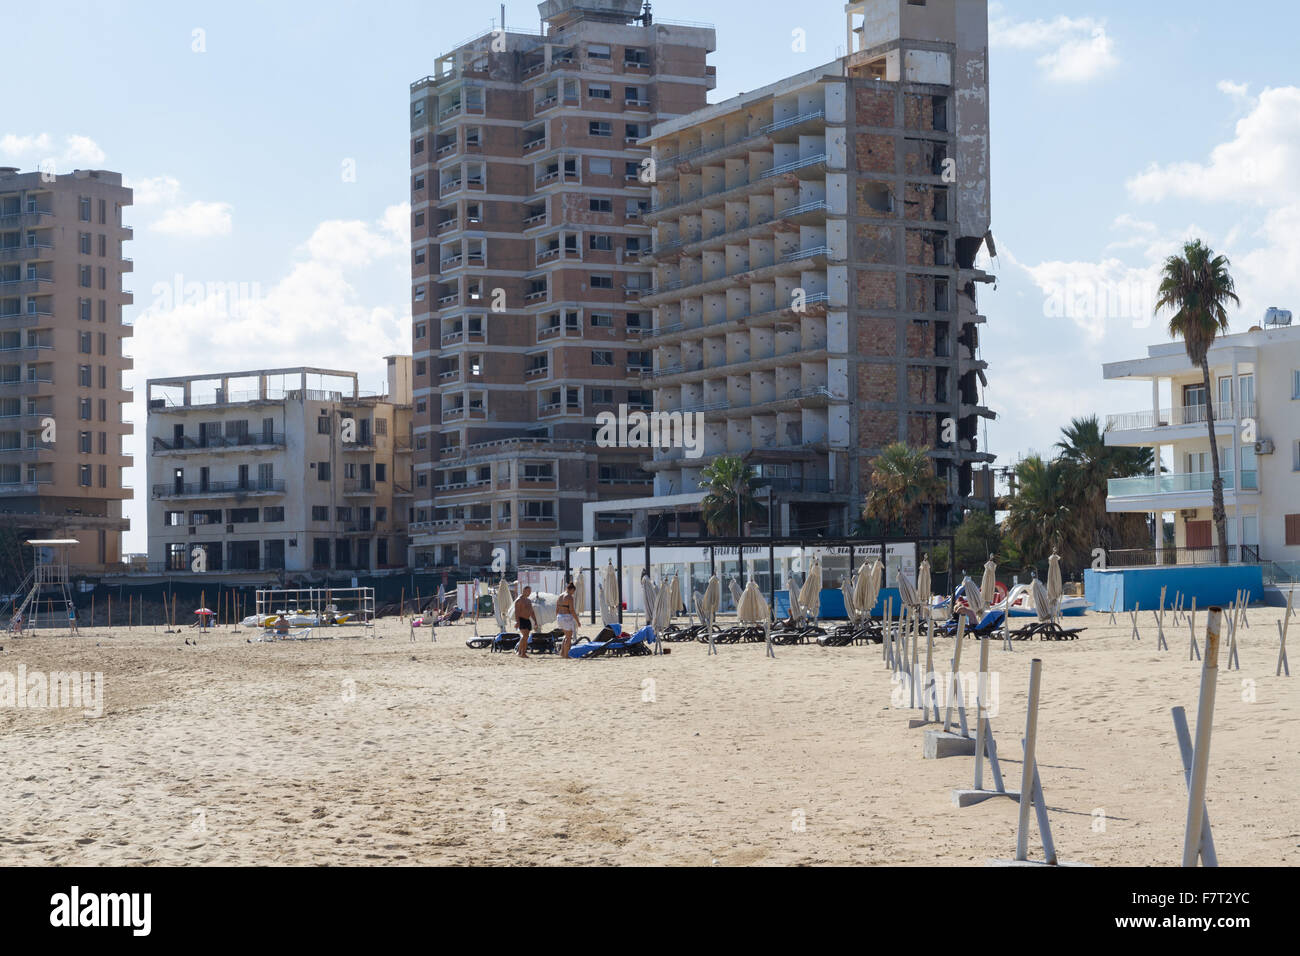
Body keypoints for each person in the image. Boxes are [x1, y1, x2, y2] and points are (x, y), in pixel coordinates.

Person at [555, 582, 579, 660]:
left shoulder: (560, 596)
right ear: (571, 589)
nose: (573, 593)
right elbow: (572, 610)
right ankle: (566, 655)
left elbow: (557, 608)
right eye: (573, 591)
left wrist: (557, 617)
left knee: (566, 636)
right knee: (568, 637)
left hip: (559, 616)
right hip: (566, 617)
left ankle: (562, 653)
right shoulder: (569, 597)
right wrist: (577, 621)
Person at [512, 586, 535, 658]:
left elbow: (532, 612)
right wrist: (517, 622)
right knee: (524, 636)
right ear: (524, 591)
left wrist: (535, 621)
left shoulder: (528, 600)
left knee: (526, 637)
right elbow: (517, 612)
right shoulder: (519, 600)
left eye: (530, 591)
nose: (529, 593)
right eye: (528, 591)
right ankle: (520, 651)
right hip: (521, 619)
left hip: (527, 620)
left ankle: (523, 652)